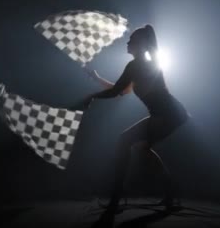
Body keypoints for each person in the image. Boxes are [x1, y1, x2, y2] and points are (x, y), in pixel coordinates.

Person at [78, 24, 190, 225]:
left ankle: (115, 199)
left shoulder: (136, 65)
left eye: (132, 40)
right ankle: (170, 189)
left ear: (140, 44)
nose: (128, 43)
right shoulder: (142, 63)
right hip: (172, 114)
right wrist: (97, 79)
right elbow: (123, 90)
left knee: (124, 141)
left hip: (167, 114)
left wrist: (91, 97)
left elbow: (116, 92)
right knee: (141, 147)